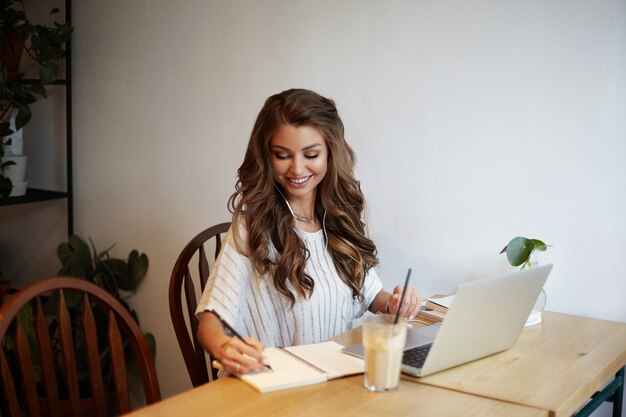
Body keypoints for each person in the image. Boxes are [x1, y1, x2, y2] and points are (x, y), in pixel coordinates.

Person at [196, 88, 420, 375]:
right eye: (282, 155)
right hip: (274, 387)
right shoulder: (253, 226)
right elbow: (209, 323)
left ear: (330, 153)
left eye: (310, 154)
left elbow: (370, 294)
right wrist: (224, 348)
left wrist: (395, 303)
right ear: (267, 156)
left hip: (333, 378)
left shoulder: (337, 217)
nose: (297, 169)